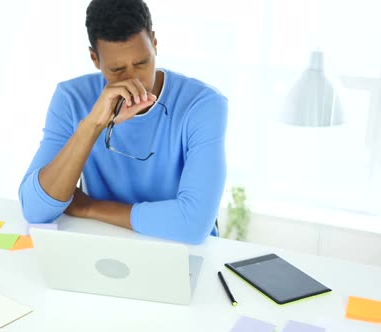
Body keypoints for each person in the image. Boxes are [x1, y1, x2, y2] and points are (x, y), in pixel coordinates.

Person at [18, 0, 227, 244]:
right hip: (104, 242)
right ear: (95, 59)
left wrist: (90, 208)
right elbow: (34, 211)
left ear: (155, 44)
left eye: (142, 63)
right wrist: (93, 124)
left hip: (180, 248)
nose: (133, 80)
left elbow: (192, 224)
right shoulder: (71, 98)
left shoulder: (203, 104)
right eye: (117, 69)